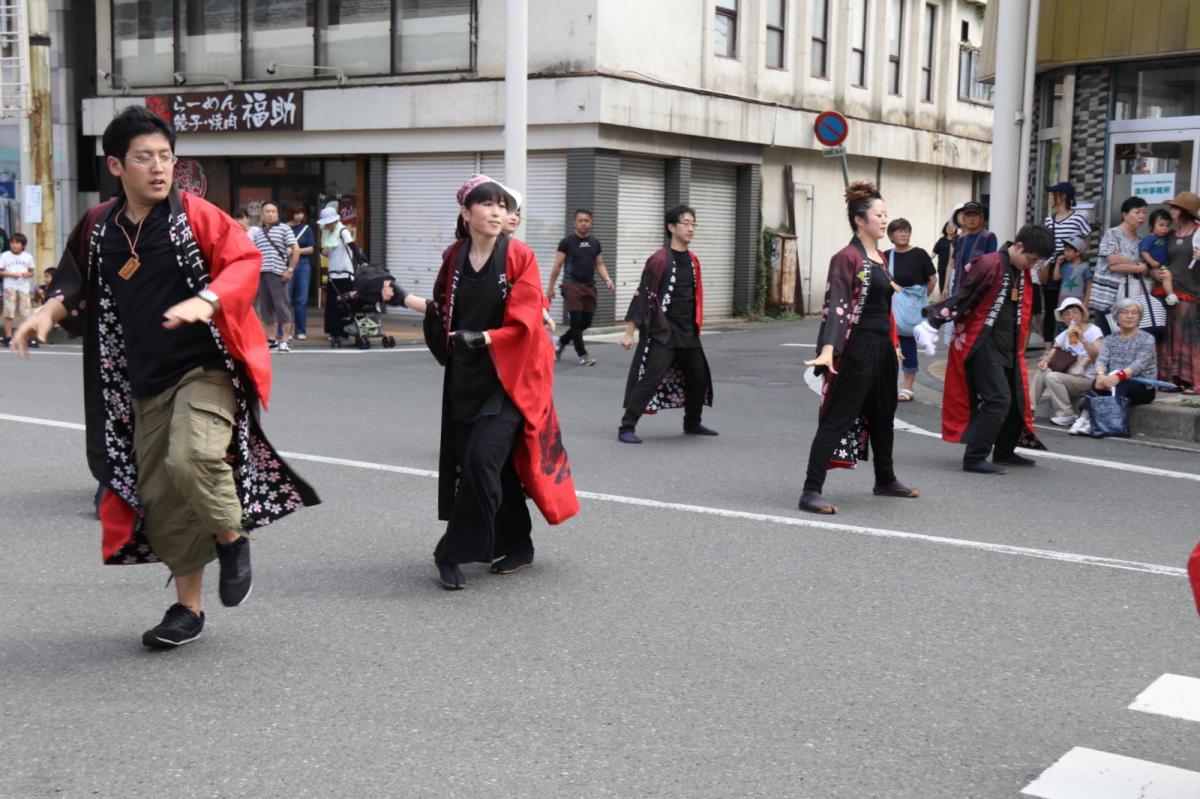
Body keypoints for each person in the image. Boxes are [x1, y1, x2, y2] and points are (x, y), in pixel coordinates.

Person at [11, 106, 318, 648]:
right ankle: (188, 610)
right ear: (115, 165)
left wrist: (208, 299)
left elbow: (243, 262)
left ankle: (231, 537)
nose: (159, 168)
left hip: (206, 368)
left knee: (191, 456)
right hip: (141, 381)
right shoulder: (99, 225)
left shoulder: (197, 215)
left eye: (166, 157)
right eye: (144, 157)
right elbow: (72, 282)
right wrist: (44, 314)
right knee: (165, 496)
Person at [422, 174, 578, 589]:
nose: (497, 212)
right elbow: (440, 308)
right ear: (466, 213)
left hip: (512, 378)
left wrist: (486, 337)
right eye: (488, 204)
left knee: (481, 459)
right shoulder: (453, 256)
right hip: (466, 379)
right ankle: (518, 543)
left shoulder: (518, 255)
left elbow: (526, 317)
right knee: (497, 467)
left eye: (502, 206)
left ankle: (451, 552)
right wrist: (395, 295)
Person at [799, 182, 918, 514]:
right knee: (839, 416)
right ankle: (811, 490)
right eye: (878, 215)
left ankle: (885, 479)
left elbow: (883, 307)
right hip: (858, 348)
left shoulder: (879, 257)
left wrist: (893, 345)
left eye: (885, 214)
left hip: (881, 348)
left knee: (883, 415)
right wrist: (828, 349)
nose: (884, 220)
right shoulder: (846, 258)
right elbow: (836, 306)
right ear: (859, 220)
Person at [917, 224, 1055, 474]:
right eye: (1032, 259)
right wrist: (933, 320)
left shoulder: (1016, 269)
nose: (1032, 266)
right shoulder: (990, 263)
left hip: (1008, 344)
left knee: (1014, 399)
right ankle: (974, 457)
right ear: (1020, 246)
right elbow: (965, 296)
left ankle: (1005, 451)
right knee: (998, 399)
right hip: (983, 342)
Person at [617, 205, 717, 443]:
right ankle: (626, 427)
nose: (691, 228)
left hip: (687, 331)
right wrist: (629, 332)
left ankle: (692, 422)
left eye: (693, 223)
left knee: (698, 376)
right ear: (671, 227)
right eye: (686, 223)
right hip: (664, 332)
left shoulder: (693, 260)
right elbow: (643, 295)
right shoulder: (659, 259)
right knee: (651, 377)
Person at [1070, 297, 1159, 435]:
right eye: (1124, 312)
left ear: (1139, 317)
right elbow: (1101, 361)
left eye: (1134, 313)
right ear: (1116, 317)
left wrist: (1119, 376)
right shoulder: (1109, 339)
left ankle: (1102, 422)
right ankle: (1084, 418)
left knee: (1120, 385)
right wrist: (1100, 375)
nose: (1129, 316)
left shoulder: (1147, 338)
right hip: (1113, 380)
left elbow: (1139, 364)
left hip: (1142, 386)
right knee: (1097, 383)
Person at [548, 209, 615, 366]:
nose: (583, 223)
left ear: (591, 223)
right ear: (575, 222)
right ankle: (582, 354)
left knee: (585, 323)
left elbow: (599, 264)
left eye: (586, 220)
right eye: (580, 220)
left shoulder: (595, 243)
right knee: (577, 322)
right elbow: (557, 265)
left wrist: (607, 279)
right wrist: (550, 287)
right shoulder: (567, 242)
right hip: (571, 285)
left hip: (589, 286)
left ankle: (561, 341)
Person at [1152, 191, 1200, 394]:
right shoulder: (1169, 235)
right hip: (1168, 291)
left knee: (1188, 337)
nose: (1171, 211)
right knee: (1169, 336)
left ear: (1184, 211)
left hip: (1191, 292)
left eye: (1175, 208)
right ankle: (1172, 379)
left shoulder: (1198, 232)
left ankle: (1193, 381)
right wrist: (1153, 270)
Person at [1030, 297, 1103, 426]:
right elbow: (1054, 350)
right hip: (1068, 378)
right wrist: (1045, 361)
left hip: (1086, 380)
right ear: (1063, 318)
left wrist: (1081, 337)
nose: (1071, 316)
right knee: (1044, 371)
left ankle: (1066, 414)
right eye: (1067, 314)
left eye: (1075, 312)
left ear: (1082, 314)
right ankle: (1029, 409)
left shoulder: (1093, 330)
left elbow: (1097, 355)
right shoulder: (1064, 334)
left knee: (1053, 377)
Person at [887, 218, 937, 402]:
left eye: (907, 230)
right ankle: (887, 384)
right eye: (899, 231)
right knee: (887, 347)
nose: (904, 234)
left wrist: (921, 300)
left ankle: (907, 387)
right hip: (890, 309)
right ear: (891, 235)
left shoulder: (920, 254)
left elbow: (932, 280)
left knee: (908, 345)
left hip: (912, 310)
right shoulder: (886, 256)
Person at [1041, 182, 1092, 349]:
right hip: (1053, 265)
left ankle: (1071, 344)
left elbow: (1086, 239)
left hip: (1071, 267)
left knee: (1069, 306)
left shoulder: (1078, 217)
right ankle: (1049, 346)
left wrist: (1075, 254)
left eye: (1053, 194)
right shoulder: (1050, 218)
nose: (1051, 198)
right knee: (1050, 308)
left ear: (1063, 196)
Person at [1091, 196, 1149, 334]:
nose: (1141, 216)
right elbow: (1113, 265)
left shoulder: (1141, 240)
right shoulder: (1112, 234)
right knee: (1104, 336)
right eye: (1137, 212)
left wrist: (1125, 260)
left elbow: (1144, 268)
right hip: (1107, 295)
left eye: (1144, 212)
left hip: (1129, 296)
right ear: (1125, 214)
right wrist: (1139, 266)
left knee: (1125, 335)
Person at [249, 200, 299, 352]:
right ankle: (271, 339)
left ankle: (284, 340)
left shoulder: (284, 229)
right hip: (262, 274)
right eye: (267, 212)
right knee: (266, 309)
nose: (270, 214)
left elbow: (295, 250)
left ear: (277, 214)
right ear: (262, 215)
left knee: (282, 307)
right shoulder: (258, 233)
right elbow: (255, 254)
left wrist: (290, 270)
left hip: (278, 274)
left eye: (273, 212)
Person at [319, 203, 355, 345]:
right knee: (332, 304)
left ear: (335, 220)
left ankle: (346, 330)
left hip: (345, 272)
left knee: (346, 304)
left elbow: (352, 245)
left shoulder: (343, 231)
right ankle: (334, 331)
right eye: (326, 223)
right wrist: (324, 252)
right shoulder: (326, 234)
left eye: (329, 223)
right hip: (333, 273)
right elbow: (325, 250)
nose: (327, 226)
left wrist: (362, 261)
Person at [947, 201, 997, 295]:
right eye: (968, 215)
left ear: (981, 218)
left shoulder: (989, 237)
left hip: (978, 293)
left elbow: (991, 268)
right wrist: (949, 288)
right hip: (958, 291)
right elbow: (955, 267)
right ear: (964, 218)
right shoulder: (959, 240)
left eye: (975, 215)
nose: (972, 219)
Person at [287, 203, 315, 340]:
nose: (300, 216)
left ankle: (300, 330)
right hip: (287, 265)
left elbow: (311, 249)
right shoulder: (284, 228)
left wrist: (295, 251)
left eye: (302, 213)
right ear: (291, 213)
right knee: (286, 299)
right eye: (297, 213)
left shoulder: (307, 229)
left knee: (301, 300)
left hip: (303, 265)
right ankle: (287, 330)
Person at [1, 231, 35, 346]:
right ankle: (8, 337)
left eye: (17, 243)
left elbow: (31, 272)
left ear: (23, 245)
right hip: (9, 287)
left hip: (23, 287)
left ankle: (28, 337)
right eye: (12, 242)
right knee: (8, 313)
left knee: (26, 313)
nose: (14, 245)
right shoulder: (5, 255)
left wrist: (27, 274)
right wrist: (11, 275)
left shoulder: (28, 256)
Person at [1054, 235, 1093, 306]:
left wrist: (1086, 301)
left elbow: (1089, 285)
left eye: (1068, 251)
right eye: (1065, 250)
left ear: (1078, 253)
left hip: (1078, 300)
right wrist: (1058, 263)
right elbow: (1056, 278)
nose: (1065, 253)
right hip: (1063, 299)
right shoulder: (1065, 265)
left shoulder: (1085, 267)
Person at [932, 221, 956, 295]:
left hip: (954, 269)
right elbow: (933, 254)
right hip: (942, 269)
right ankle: (943, 305)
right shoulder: (941, 241)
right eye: (948, 227)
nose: (950, 228)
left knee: (952, 290)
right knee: (943, 290)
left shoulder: (958, 240)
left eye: (952, 227)